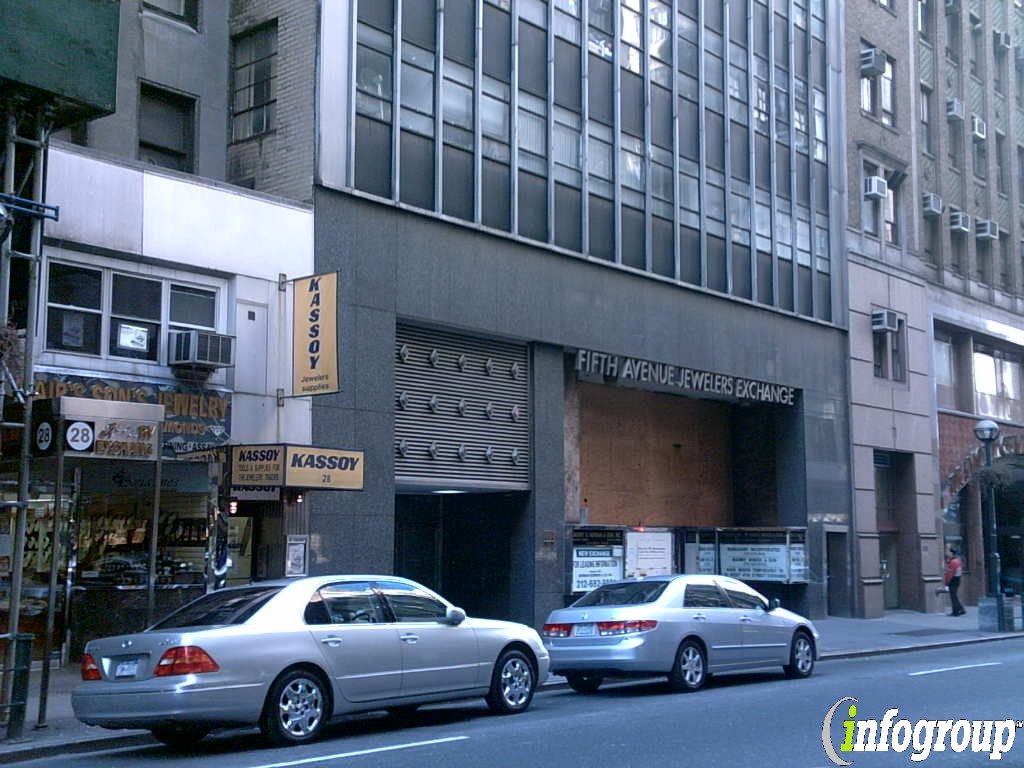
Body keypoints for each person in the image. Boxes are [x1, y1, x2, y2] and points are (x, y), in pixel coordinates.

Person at [944, 547, 965, 616]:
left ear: (951, 553)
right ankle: (961, 609)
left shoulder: (953, 562)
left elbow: (949, 574)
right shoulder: (957, 560)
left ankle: (955, 612)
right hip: (957, 579)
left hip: (953, 580)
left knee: (953, 597)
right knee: (954, 596)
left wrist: (946, 584)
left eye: (948, 552)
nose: (946, 553)